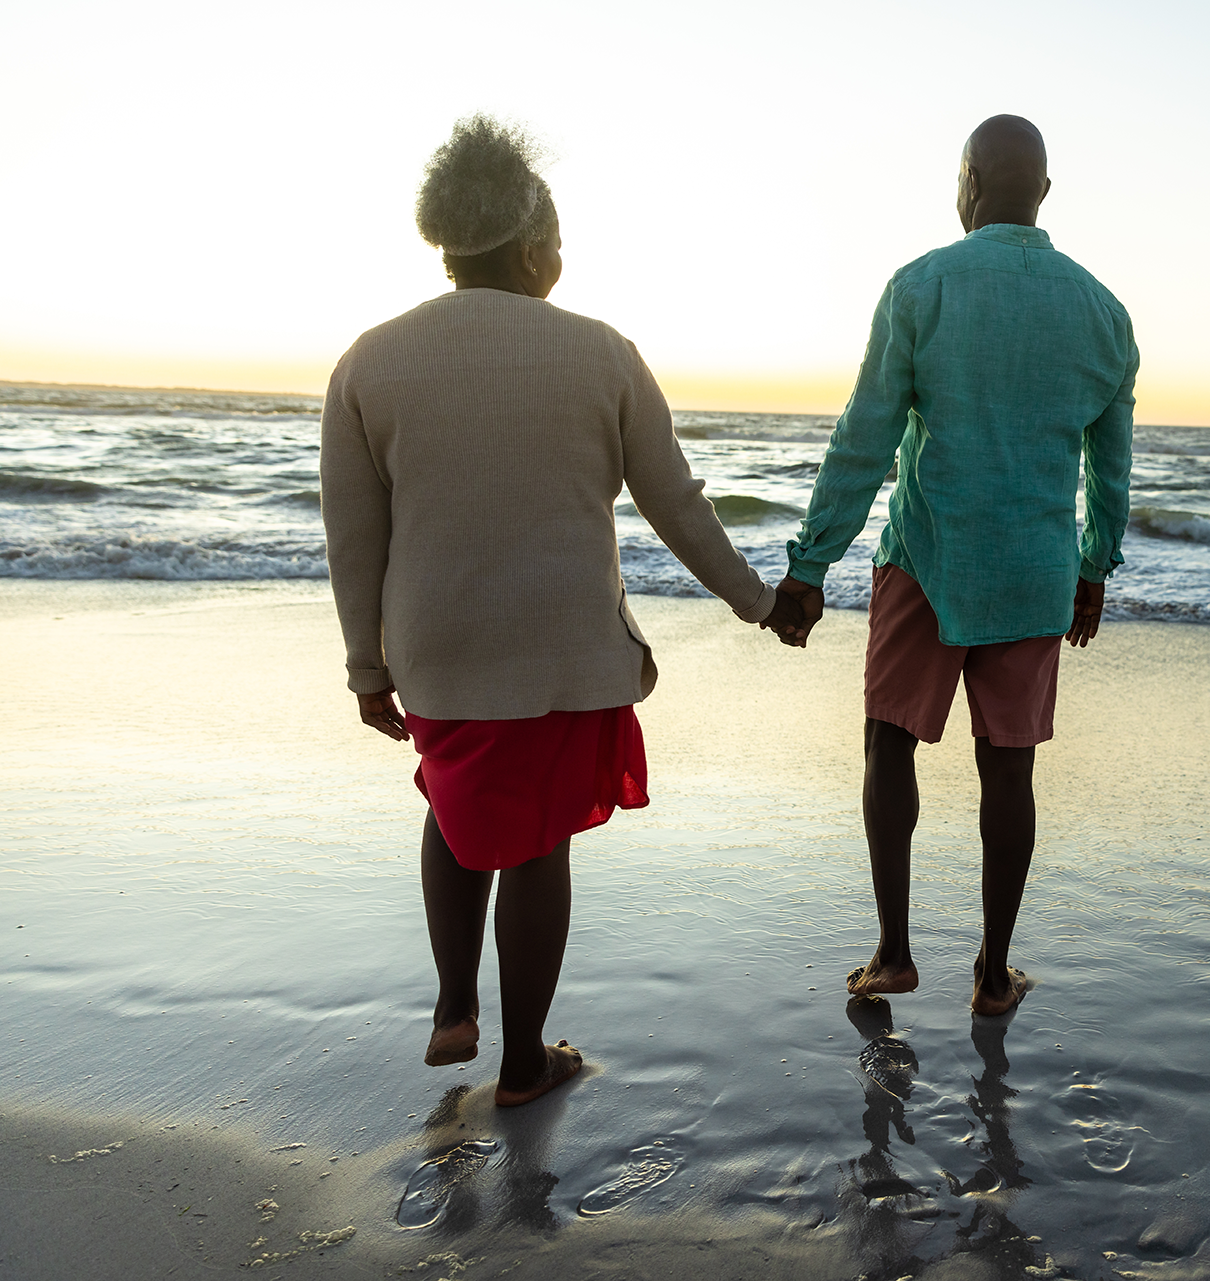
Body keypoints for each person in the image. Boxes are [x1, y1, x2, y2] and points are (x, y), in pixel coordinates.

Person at [321, 116, 808, 1107]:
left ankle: (456, 1003)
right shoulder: (600, 353)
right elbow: (677, 504)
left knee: (451, 801)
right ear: (533, 239)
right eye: (558, 233)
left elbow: (354, 536)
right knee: (538, 838)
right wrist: (758, 603)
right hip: (560, 649)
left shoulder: (370, 361)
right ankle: (521, 1061)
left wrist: (365, 667)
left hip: (438, 647)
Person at [779, 115, 1137, 1016]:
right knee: (1008, 766)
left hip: (926, 559)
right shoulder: (1103, 313)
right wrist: (1093, 568)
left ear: (968, 182)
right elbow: (1111, 469)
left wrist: (810, 564)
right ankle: (991, 971)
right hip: (1034, 572)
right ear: (1043, 192)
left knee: (886, 742)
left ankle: (895, 950)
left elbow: (864, 439)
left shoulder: (921, 287)